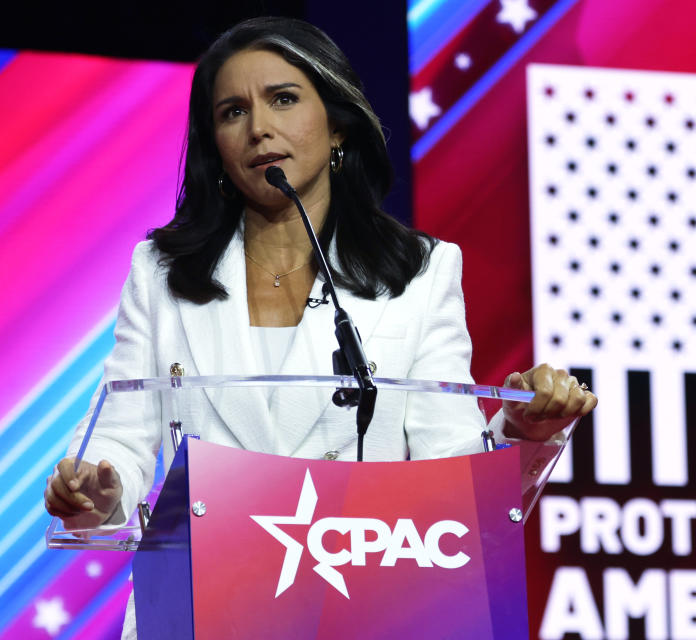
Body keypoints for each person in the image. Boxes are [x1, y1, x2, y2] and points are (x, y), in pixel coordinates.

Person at [43, 15, 597, 637]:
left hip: (362, 611)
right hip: (199, 613)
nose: (259, 128)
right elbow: (121, 433)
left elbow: (449, 474)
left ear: (336, 124)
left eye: (283, 99)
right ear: (216, 149)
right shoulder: (162, 273)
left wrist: (522, 431)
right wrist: (97, 484)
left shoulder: (420, 272)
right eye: (232, 112)